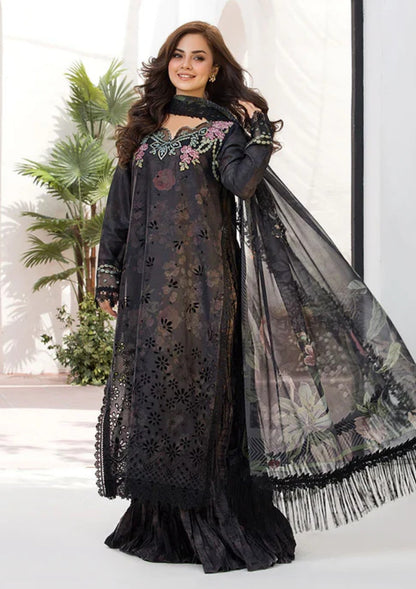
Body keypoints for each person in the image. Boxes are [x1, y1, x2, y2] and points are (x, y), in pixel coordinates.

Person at [94, 20, 416, 573]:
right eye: (178, 55)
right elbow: (119, 208)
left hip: (207, 288)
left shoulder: (224, 129)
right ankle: (162, 520)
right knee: (158, 392)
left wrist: (259, 131)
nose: (186, 65)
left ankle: (213, 520)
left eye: (198, 57)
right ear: (167, 63)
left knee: (207, 395)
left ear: (214, 68)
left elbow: (242, 183)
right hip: (148, 290)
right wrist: (109, 272)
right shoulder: (144, 128)